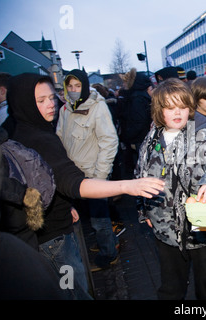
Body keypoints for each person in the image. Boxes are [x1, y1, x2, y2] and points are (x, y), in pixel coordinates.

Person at [6, 73, 165, 299]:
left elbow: (45, 178)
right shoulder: (37, 137)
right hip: (53, 240)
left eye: (52, 97)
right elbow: (72, 182)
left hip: (56, 221)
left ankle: (108, 251)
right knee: (73, 291)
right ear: (23, 103)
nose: (50, 104)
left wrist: (63, 201)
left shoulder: (30, 128)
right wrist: (129, 186)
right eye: (40, 101)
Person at [134, 78, 206, 300]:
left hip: (203, 230)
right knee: (171, 290)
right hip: (166, 231)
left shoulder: (202, 135)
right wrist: (145, 211)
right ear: (158, 109)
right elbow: (140, 175)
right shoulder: (152, 138)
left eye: (182, 106)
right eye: (170, 107)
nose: (177, 113)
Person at [56, 69, 120, 272]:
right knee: (80, 218)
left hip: (93, 174)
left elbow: (109, 142)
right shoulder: (65, 109)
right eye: (70, 86)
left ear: (84, 86)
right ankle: (103, 244)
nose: (74, 90)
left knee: (99, 219)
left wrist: (100, 177)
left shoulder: (97, 107)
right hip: (71, 174)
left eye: (78, 86)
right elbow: (59, 138)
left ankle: (109, 255)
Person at [0, 136, 71, 300]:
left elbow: (61, 173)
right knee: (67, 285)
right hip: (46, 235)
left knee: (69, 284)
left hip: (52, 231)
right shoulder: (20, 134)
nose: (52, 107)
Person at [119, 68, 154, 178]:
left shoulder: (136, 98)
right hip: (142, 138)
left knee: (142, 166)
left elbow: (138, 122)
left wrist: (129, 137)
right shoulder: (140, 97)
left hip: (139, 139)